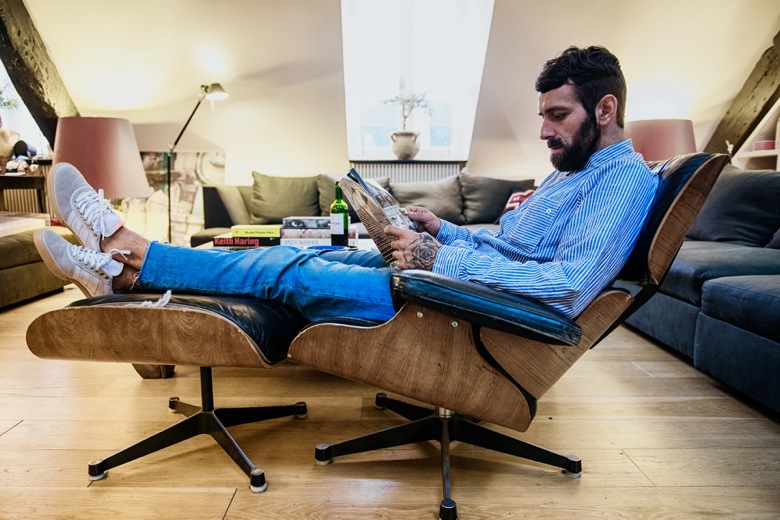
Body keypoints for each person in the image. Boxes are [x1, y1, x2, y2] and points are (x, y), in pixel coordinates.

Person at [34, 45, 658, 324]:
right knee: (302, 251)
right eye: (544, 117)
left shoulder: (622, 181)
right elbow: (519, 252)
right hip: (450, 281)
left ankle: (126, 259)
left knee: (290, 270)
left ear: (605, 110)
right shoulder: (581, 173)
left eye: (557, 116)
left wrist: (437, 258)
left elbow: (566, 287)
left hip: (461, 309)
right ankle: (124, 263)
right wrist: (443, 231)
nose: (545, 132)